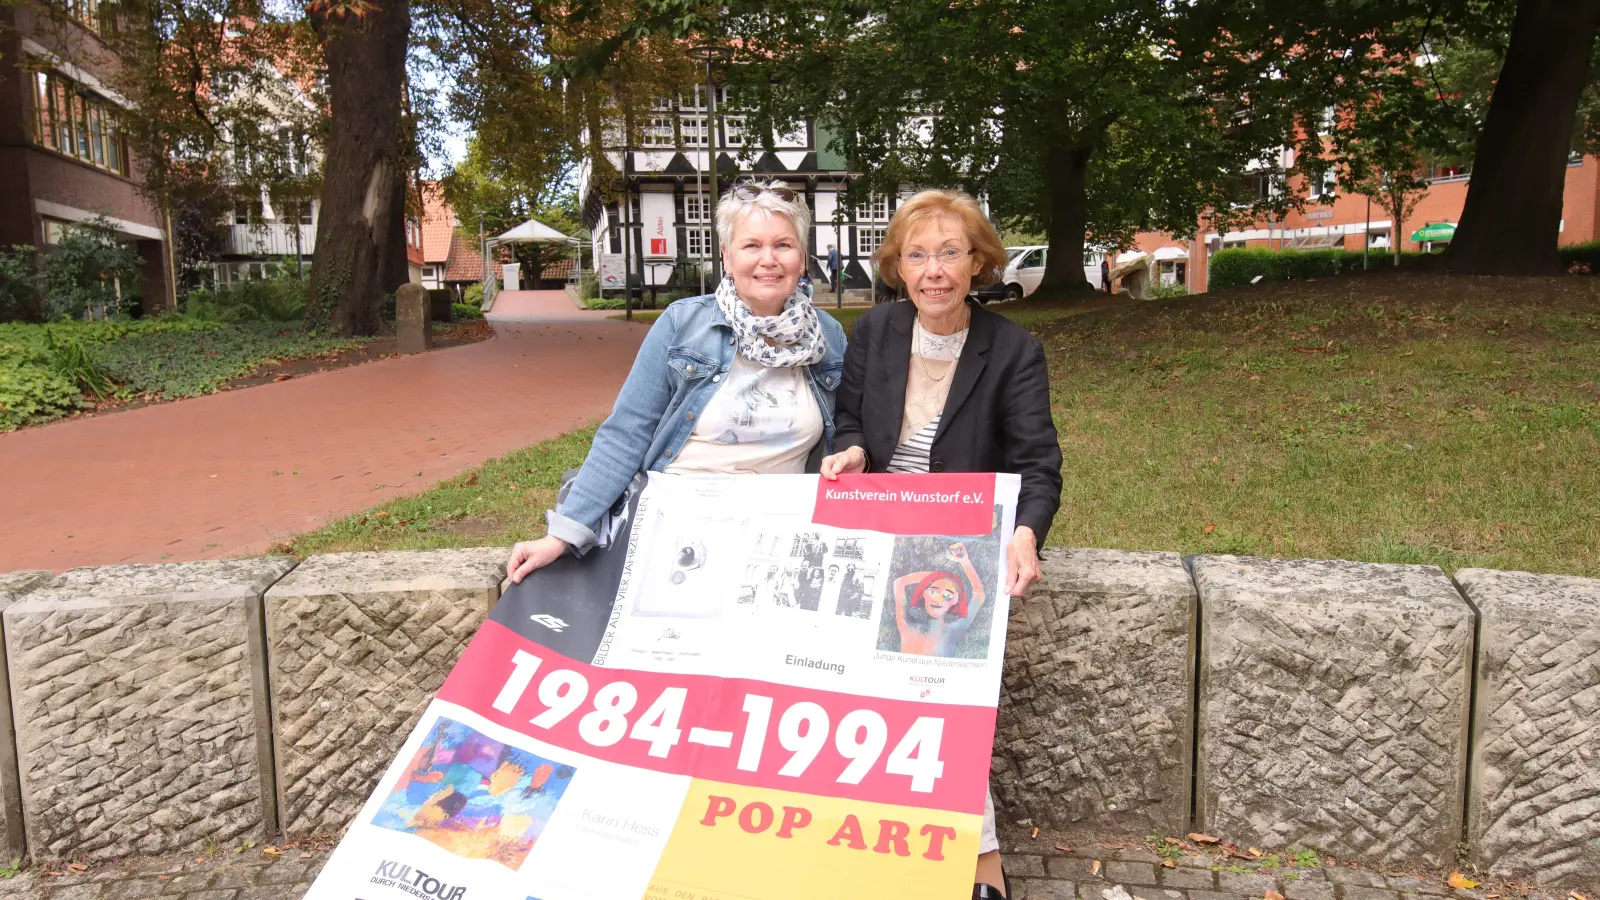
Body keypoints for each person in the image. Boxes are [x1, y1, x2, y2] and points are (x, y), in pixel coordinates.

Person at [819, 188, 1063, 900]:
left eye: (950, 254)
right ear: (898, 265)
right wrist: (854, 450)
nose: (933, 271)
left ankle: (981, 871)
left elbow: (1038, 463)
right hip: (874, 529)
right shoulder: (874, 332)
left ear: (978, 263)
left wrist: (1024, 531)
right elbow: (846, 420)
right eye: (917, 255)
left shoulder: (1014, 349)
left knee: (937, 686)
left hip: (954, 545)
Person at [507, 181, 847, 582]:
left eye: (784, 246)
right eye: (751, 245)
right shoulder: (682, 324)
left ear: (802, 257)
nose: (768, 259)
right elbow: (626, 433)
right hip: (678, 523)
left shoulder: (828, 337)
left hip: (776, 532)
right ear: (726, 256)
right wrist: (563, 534)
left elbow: (847, 437)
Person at [888, 543, 988, 656]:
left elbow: (979, 594)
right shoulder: (907, 625)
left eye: (947, 595)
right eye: (933, 592)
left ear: (955, 600)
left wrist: (965, 561)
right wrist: (937, 575)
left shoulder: (952, 631)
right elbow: (899, 583)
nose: (938, 598)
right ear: (924, 594)